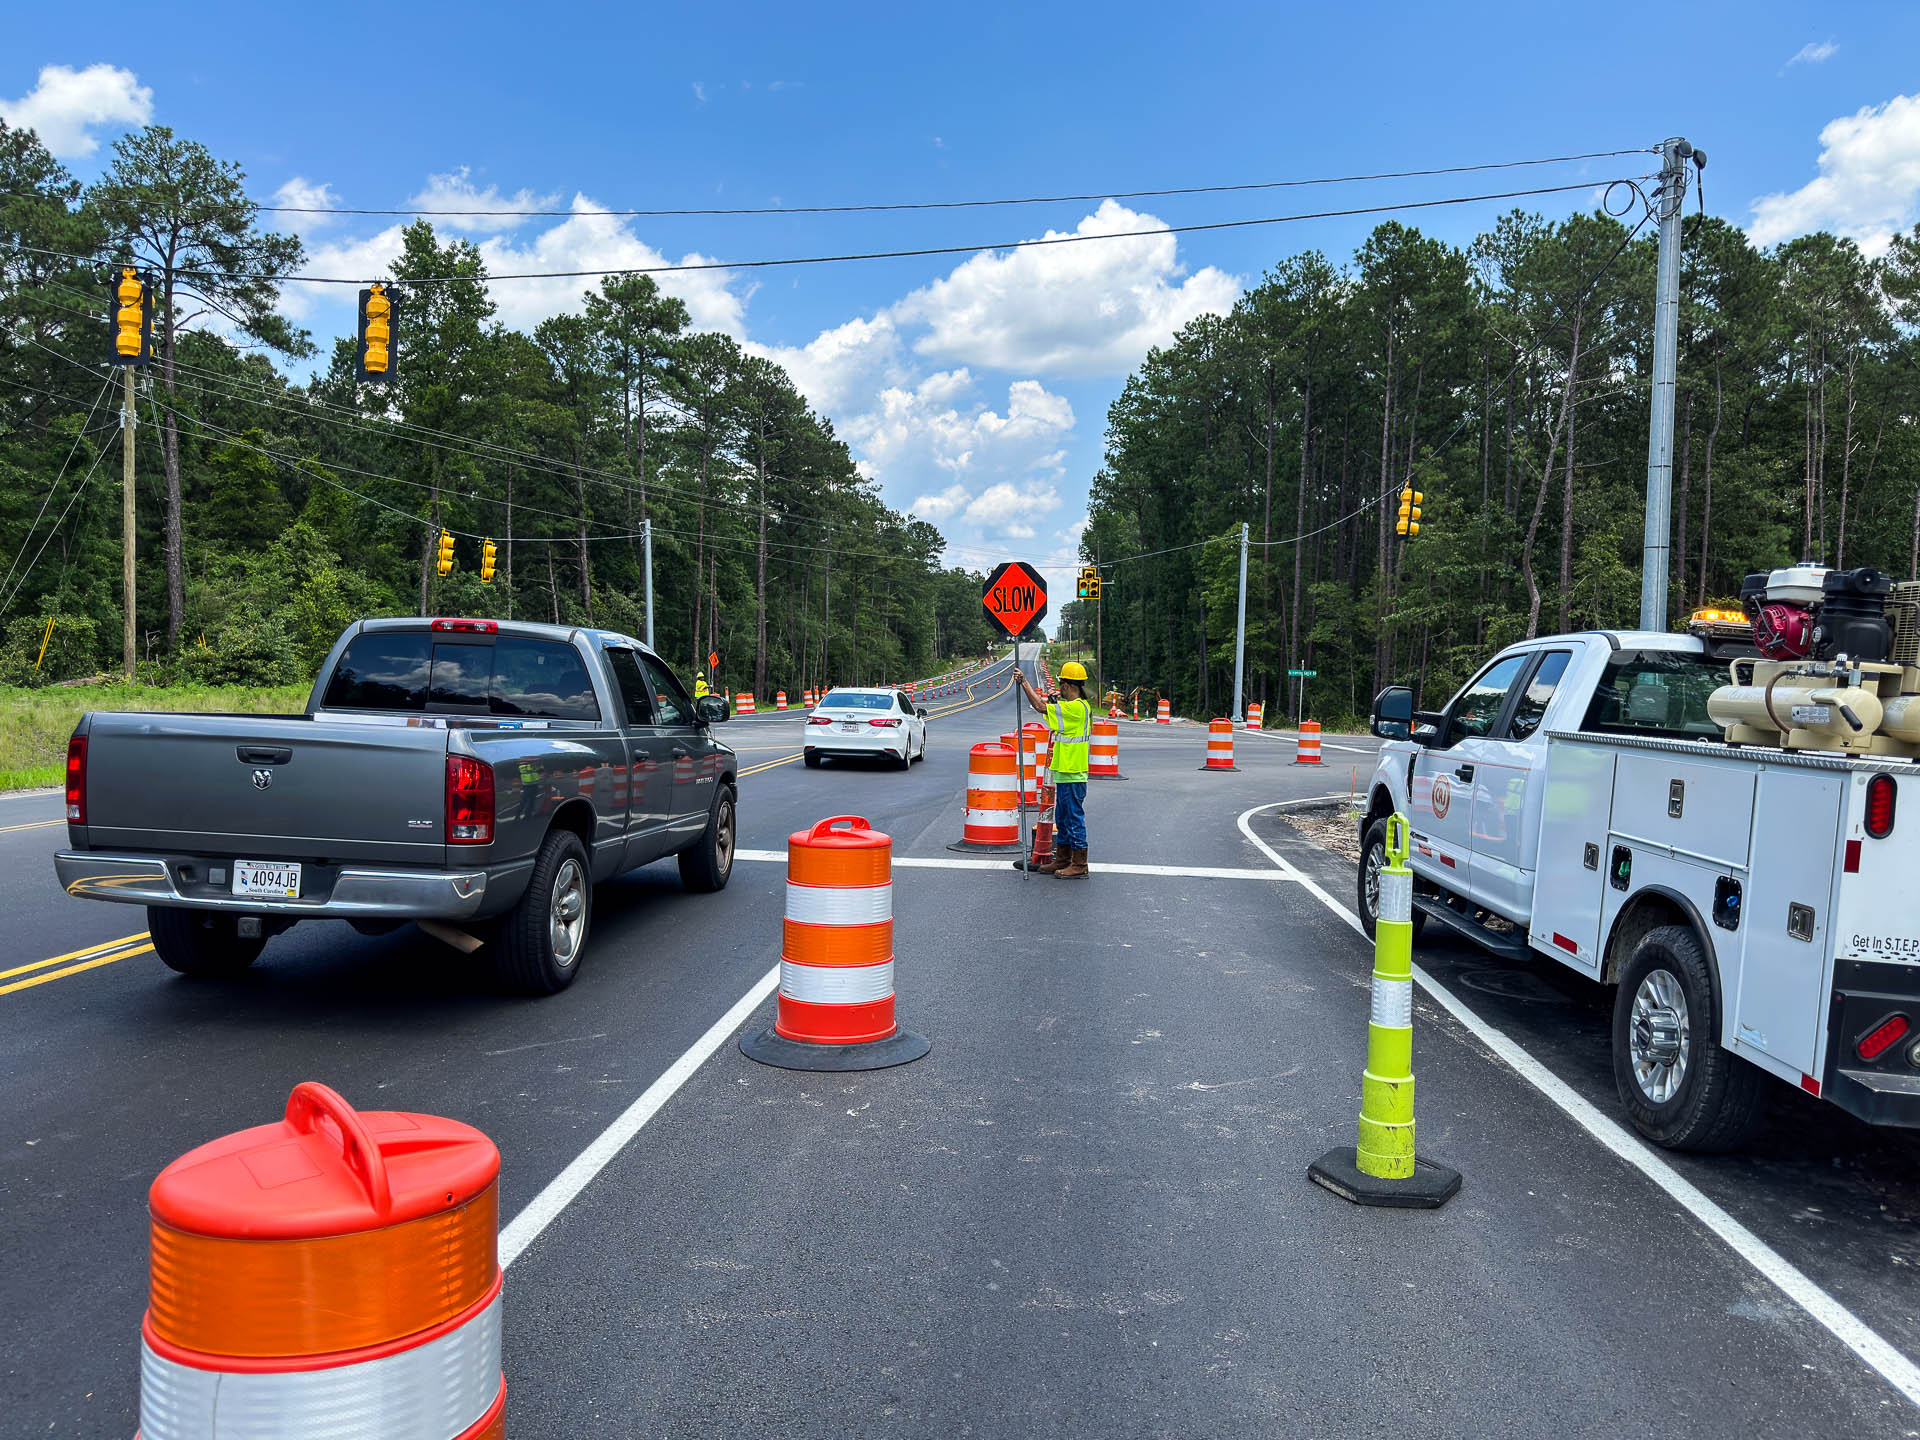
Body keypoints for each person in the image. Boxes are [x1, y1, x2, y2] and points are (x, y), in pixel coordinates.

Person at [1019, 660, 1092, 877]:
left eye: (1062, 684)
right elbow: (1052, 717)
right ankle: (1062, 860)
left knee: (1073, 819)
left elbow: (1040, 707)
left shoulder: (1076, 709)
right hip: (1065, 773)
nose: (1060, 688)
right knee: (1062, 819)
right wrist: (1053, 704)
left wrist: (1024, 683)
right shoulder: (1074, 709)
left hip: (1073, 773)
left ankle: (1079, 864)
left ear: (1069, 685)